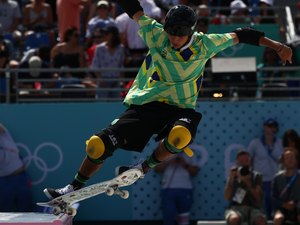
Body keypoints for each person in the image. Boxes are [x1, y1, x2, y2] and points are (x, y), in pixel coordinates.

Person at [43, 2, 293, 200]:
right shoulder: (156, 33)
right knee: (97, 145)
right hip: (147, 106)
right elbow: (134, 9)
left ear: (191, 33)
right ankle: (72, 189)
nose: (173, 40)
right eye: (171, 34)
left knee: (180, 137)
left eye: (179, 36)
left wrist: (278, 45)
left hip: (181, 109)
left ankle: (144, 167)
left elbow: (243, 34)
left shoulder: (205, 44)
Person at [248, 118, 284, 219]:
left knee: (274, 206)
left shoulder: (280, 143)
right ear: (264, 128)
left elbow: (284, 160)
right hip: (261, 181)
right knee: (262, 207)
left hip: (275, 180)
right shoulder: (255, 143)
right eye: (269, 126)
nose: (271, 129)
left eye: (273, 127)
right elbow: (249, 159)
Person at [154, 147, 200, 225]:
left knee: (183, 218)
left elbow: (195, 172)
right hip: (168, 189)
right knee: (168, 216)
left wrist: (184, 164)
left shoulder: (191, 153)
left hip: (185, 189)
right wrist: (169, 161)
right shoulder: (164, 151)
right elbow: (157, 169)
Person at [224, 150, 267, 225]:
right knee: (234, 219)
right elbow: (227, 197)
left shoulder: (257, 176)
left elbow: (258, 197)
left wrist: (249, 184)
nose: (244, 164)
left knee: (261, 221)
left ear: (250, 162)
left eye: (246, 161)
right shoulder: (234, 176)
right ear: (237, 163)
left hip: (253, 208)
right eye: (241, 161)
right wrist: (231, 180)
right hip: (236, 208)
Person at [0, 123, 34, 212]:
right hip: (3, 182)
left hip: (20, 178)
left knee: (27, 210)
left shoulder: (4, 136)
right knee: (4, 212)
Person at [272, 149, 300, 225]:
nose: (290, 160)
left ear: (296, 160)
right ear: (283, 162)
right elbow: (274, 197)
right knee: (278, 218)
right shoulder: (277, 178)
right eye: (287, 158)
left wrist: (295, 203)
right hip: (282, 208)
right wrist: (284, 205)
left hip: (298, 206)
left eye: (292, 157)